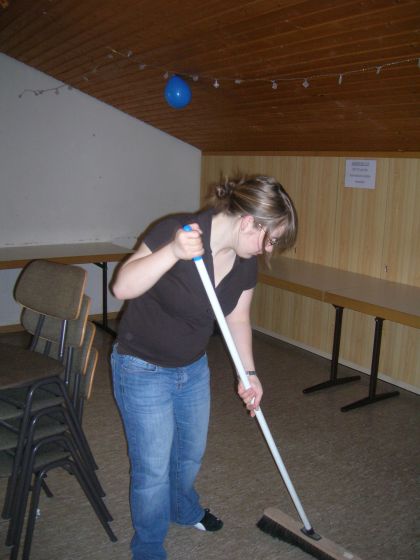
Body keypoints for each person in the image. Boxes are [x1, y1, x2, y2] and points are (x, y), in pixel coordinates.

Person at [111, 174, 298, 560]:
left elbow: (238, 319)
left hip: (192, 369)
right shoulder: (177, 231)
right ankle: (148, 545)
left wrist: (249, 374)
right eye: (271, 238)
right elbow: (122, 287)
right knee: (153, 469)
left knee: (189, 455)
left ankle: (182, 508)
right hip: (141, 367)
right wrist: (173, 252)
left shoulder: (245, 263)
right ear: (249, 222)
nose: (269, 249)